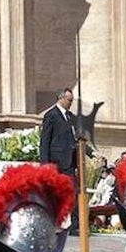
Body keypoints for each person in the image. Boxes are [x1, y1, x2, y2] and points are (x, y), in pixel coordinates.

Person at [39, 88, 79, 233]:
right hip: (55, 163)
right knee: (54, 195)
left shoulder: (71, 117)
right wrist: (45, 164)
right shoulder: (51, 115)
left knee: (74, 192)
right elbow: (45, 141)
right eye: (69, 100)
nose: (70, 103)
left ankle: (74, 226)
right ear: (61, 98)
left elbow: (76, 140)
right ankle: (50, 223)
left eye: (72, 101)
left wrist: (91, 153)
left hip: (69, 163)